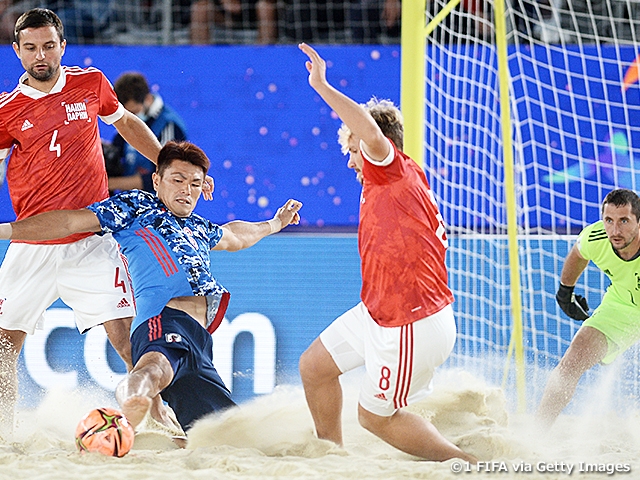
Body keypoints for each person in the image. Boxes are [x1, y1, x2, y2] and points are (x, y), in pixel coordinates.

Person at [0, 140, 302, 435]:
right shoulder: (137, 207)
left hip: (197, 341)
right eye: (178, 179)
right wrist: (8, 230)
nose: (186, 189)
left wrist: (275, 223)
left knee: (221, 432)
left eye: (195, 183)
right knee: (150, 371)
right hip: (161, 318)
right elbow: (69, 222)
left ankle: (164, 427)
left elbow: (236, 236)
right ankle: (128, 410)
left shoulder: (198, 227)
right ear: (156, 181)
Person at [296, 43, 477, 463]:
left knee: (375, 417)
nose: (351, 160)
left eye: (353, 149)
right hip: (380, 311)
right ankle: (332, 460)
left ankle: (468, 466)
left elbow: (372, 134)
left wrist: (322, 85)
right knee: (314, 368)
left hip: (410, 321)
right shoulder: (395, 178)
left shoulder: (388, 166)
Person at [0, 8, 177, 434]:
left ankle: (163, 423)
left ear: (62, 45)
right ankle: (4, 429)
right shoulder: (6, 110)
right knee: (5, 348)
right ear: (17, 52)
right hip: (33, 246)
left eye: (47, 45)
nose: (40, 55)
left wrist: (169, 166)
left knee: (126, 340)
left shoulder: (89, 83)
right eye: (30, 48)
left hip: (92, 241)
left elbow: (129, 124)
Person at [537, 188, 640, 427]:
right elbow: (578, 254)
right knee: (573, 359)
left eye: (624, 221)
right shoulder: (595, 237)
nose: (615, 230)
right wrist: (565, 292)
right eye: (609, 220)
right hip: (623, 305)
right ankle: (537, 434)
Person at [106, 72, 188, 194]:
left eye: (134, 112)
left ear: (148, 99)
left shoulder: (168, 125)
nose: (130, 118)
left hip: (158, 204)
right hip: (131, 201)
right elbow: (117, 153)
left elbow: (168, 175)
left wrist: (109, 183)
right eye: (126, 113)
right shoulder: (125, 120)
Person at [190, 0, 277, 45]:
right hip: (222, 19)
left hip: (253, 20)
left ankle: (263, 56)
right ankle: (201, 58)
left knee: (266, 8)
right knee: (200, 8)